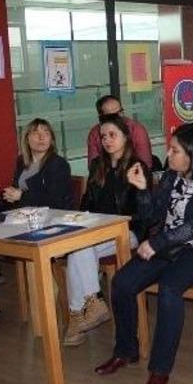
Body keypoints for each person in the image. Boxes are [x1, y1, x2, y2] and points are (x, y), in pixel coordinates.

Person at [94, 126, 193, 384]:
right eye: (170, 148)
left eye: (175, 150)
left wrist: (157, 243)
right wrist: (144, 189)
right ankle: (125, 351)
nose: (168, 154)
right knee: (122, 282)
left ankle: (159, 370)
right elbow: (151, 215)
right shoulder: (172, 176)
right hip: (169, 246)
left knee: (170, 288)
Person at [0, 119, 73, 331]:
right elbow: (18, 193)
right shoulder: (22, 162)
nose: (41, 138)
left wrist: (22, 195)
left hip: (48, 222)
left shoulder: (58, 164)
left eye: (46, 133)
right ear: (27, 138)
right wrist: (9, 195)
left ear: (52, 138)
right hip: (23, 218)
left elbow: (56, 201)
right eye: (35, 133)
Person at [63, 114, 150, 346]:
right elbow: (87, 201)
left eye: (113, 135)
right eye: (103, 137)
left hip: (127, 231)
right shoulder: (97, 166)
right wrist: (80, 218)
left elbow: (144, 211)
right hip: (97, 231)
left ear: (125, 137)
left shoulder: (137, 167)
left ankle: (80, 315)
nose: (108, 140)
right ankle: (90, 306)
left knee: (80, 247)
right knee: (77, 248)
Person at [86, 95, 153, 170]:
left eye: (121, 112)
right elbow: (93, 168)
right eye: (113, 115)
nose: (119, 116)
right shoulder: (95, 134)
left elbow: (146, 165)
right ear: (101, 117)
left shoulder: (136, 129)